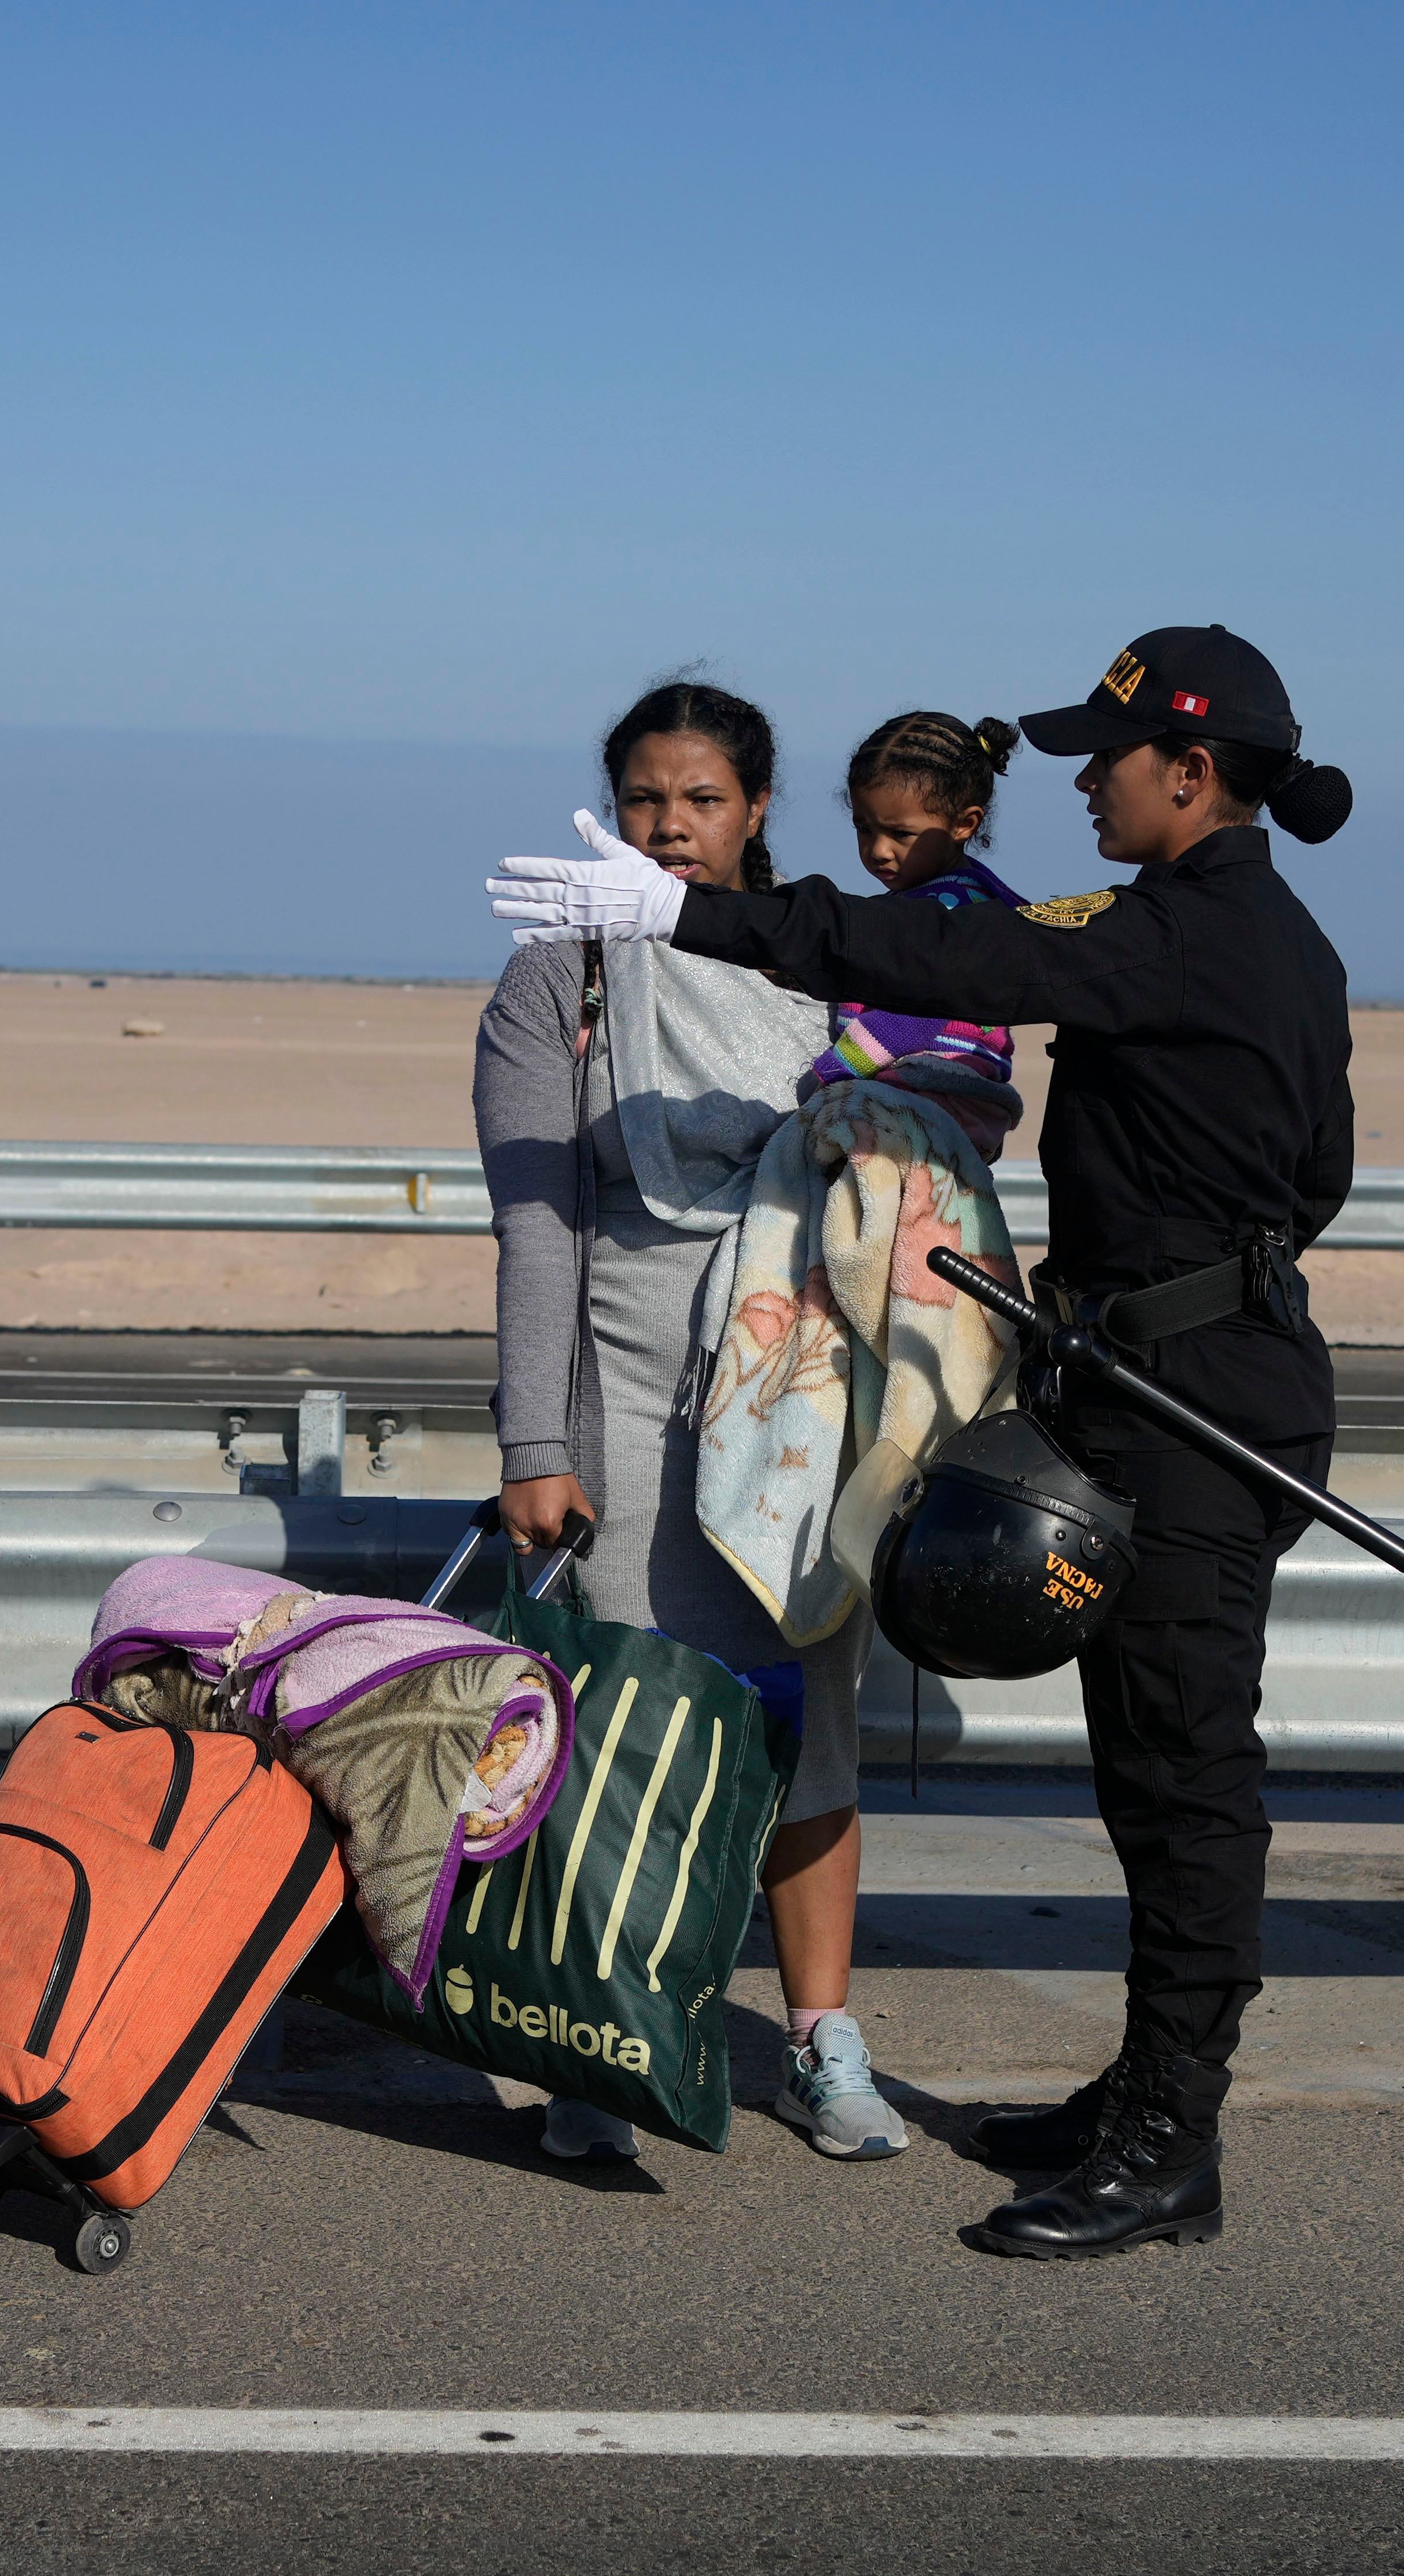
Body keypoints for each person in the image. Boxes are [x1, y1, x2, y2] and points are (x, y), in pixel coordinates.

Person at [489, 625, 1354, 2262]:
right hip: (1164, 1370)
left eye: (1106, 758)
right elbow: (1318, 1169)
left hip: (1191, 1400)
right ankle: (1140, 2091)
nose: (1082, 783)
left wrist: (681, 914)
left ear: (1189, 770)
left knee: (1181, 1780)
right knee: (1145, 1770)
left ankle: (1172, 2141)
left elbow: (952, 961)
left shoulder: (1185, 933)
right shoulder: (1225, 930)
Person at [473, 680, 906, 2162]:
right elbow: (535, 1224)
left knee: (808, 1726)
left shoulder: (827, 958)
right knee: (613, 1731)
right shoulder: (559, 976)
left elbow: (937, 1135)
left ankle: (819, 2039)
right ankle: (598, 2037)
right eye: (645, 797)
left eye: (700, 799)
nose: (669, 823)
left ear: (757, 808)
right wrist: (537, 1442)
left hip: (798, 1397)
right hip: (624, 1401)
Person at [803, 711, 1034, 1159]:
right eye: (864, 828)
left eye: (900, 833)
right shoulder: (968, 898)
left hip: (930, 1095)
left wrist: (831, 1073)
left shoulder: (949, 915)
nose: (877, 850)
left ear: (964, 824)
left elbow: (916, 1014)